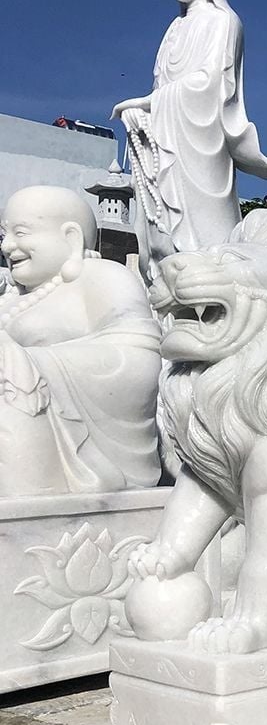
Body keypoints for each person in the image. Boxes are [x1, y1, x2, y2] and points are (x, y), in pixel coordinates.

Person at [0, 186, 162, 496]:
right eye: (4, 234)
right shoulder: (11, 298)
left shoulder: (101, 276)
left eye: (20, 233)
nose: (7, 245)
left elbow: (141, 356)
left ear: (71, 238)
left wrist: (29, 364)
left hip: (63, 435)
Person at [112, 0, 267, 280]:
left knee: (208, 240)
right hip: (166, 133)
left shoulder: (223, 21)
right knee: (161, 231)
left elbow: (212, 83)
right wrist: (144, 113)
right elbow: (161, 86)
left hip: (201, 138)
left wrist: (150, 103)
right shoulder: (174, 28)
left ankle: (215, 278)